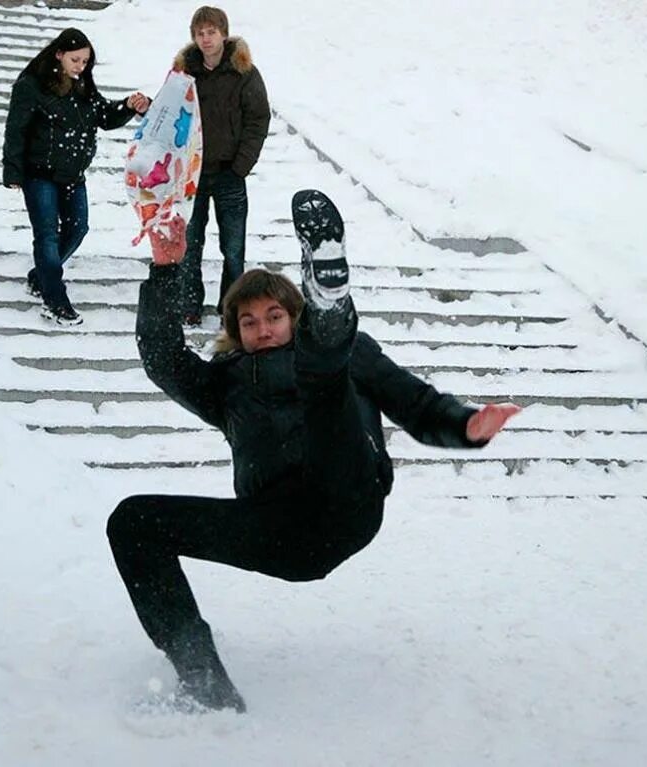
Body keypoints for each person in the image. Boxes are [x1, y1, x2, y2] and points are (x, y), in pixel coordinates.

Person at [107, 189, 521, 714]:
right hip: (278, 532)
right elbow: (163, 358)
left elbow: (416, 404)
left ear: (293, 315)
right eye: (249, 322)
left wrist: (467, 427)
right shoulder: (225, 385)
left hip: (346, 500)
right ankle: (203, 681)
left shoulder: (351, 355)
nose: (263, 329)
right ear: (237, 332)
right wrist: (166, 268)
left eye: (274, 316)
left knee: (327, 377)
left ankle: (331, 305)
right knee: (134, 522)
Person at [2, 28, 150, 326]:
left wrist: (128, 106)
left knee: (78, 228)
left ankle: (41, 275)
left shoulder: (83, 88)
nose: (80, 67)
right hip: (39, 174)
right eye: (75, 60)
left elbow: (104, 117)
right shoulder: (31, 86)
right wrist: (13, 171)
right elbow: (16, 130)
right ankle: (56, 299)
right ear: (58, 54)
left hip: (72, 175)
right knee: (46, 235)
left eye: (85, 61)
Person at [172, 6, 271, 326]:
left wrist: (241, 166)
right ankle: (189, 303)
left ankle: (231, 307)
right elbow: (170, 113)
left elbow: (258, 119)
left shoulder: (244, 72)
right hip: (193, 173)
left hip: (230, 172)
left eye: (211, 32)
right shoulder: (184, 72)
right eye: (200, 33)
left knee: (233, 247)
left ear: (223, 34)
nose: (206, 38)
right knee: (189, 243)